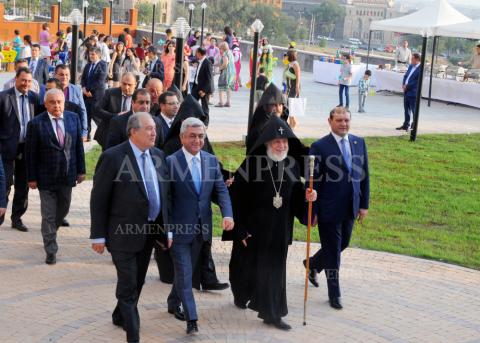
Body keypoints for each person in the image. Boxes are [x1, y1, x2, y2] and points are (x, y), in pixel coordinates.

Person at [224, 116, 316, 330]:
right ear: (267, 143)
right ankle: (241, 293)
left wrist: (308, 198)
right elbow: (236, 198)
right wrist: (241, 230)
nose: (281, 145)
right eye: (276, 141)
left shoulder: (292, 166)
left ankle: (272, 313)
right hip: (253, 230)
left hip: (279, 230)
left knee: (274, 271)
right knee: (246, 269)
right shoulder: (252, 164)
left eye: (284, 142)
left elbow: (295, 195)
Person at [91, 112, 171, 343]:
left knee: (137, 281)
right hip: (121, 234)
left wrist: (167, 230)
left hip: (147, 234)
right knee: (128, 286)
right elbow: (99, 199)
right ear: (132, 131)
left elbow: (163, 196)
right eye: (148, 128)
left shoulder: (158, 155)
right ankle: (133, 336)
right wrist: (98, 236)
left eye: (154, 128)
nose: (154, 132)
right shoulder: (113, 157)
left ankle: (119, 315)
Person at [166, 117, 234, 334]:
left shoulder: (211, 161)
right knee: (185, 273)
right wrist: (166, 230)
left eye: (201, 136)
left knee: (185, 271)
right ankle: (192, 319)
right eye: (192, 136)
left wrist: (228, 215)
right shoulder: (170, 162)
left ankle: (172, 300)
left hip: (202, 229)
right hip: (178, 231)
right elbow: (166, 201)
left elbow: (221, 190)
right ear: (182, 137)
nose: (197, 140)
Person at [305, 106, 370, 310]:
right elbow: (311, 180)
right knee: (333, 252)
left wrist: (364, 205)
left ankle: (313, 264)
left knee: (343, 244)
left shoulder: (359, 143)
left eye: (346, 120)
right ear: (330, 121)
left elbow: (364, 175)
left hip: (351, 206)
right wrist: (313, 210)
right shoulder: (319, 146)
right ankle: (335, 293)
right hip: (329, 208)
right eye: (339, 120)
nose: (343, 124)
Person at [25, 89, 85, 265]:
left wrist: (81, 170)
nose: (57, 105)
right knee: (48, 215)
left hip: (67, 175)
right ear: (46, 104)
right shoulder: (35, 124)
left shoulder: (73, 118)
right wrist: (31, 178)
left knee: (63, 209)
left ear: (64, 102)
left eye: (59, 102)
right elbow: (30, 154)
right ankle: (50, 249)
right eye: (53, 102)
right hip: (45, 178)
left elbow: (78, 149)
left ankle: (50, 231)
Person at [0, 68, 41, 231]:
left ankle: (17, 218)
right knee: (5, 183)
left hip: (27, 149)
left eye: (29, 81)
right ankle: (0, 215)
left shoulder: (34, 98)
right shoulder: (3, 97)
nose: (26, 84)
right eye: (23, 80)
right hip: (6, 148)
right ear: (16, 79)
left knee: (23, 186)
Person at [94, 72, 137, 150]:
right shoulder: (110, 93)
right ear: (120, 82)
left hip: (131, 137)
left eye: (129, 85)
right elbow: (97, 110)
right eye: (124, 84)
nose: (126, 87)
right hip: (110, 135)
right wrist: (116, 116)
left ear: (135, 84)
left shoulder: (139, 97)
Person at [54, 64, 88, 140]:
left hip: (72, 130)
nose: (64, 77)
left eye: (67, 75)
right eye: (61, 75)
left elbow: (83, 111)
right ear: (55, 75)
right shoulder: (50, 89)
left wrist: (84, 131)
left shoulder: (76, 90)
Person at [81, 47, 108, 141]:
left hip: (97, 96)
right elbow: (83, 78)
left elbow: (100, 81)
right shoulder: (88, 65)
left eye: (93, 54)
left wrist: (89, 90)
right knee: (86, 116)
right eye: (90, 54)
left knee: (97, 116)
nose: (91, 56)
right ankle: (87, 136)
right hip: (86, 95)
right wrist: (84, 88)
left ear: (98, 55)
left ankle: (104, 135)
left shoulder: (103, 65)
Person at [397, 53, 421, 131]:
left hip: (414, 93)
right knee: (406, 110)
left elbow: (417, 82)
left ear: (417, 60)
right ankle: (405, 125)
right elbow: (406, 76)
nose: (411, 60)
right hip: (406, 91)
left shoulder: (421, 69)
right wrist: (404, 84)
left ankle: (414, 126)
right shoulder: (411, 66)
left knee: (414, 110)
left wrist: (407, 86)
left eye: (412, 59)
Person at [191, 47, 213, 121]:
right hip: (196, 86)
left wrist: (204, 91)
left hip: (204, 88)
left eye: (196, 52)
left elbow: (209, 79)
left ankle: (205, 122)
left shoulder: (207, 63)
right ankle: (193, 118)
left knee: (205, 106)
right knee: (192, 102)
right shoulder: (199, 61)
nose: (195, 54)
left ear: (199, 53)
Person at [216, 42, 235, 108]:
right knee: (228, 87)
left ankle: (221, 102)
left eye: (220, 48)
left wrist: (219, 69)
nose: (219, 50)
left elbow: (225, 64)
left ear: (222, 48)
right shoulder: (230, 52)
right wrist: (216, 64)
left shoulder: (225, 54)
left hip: (226, 72)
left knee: (220, 87)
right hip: (232, 72)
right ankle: (228, 102)